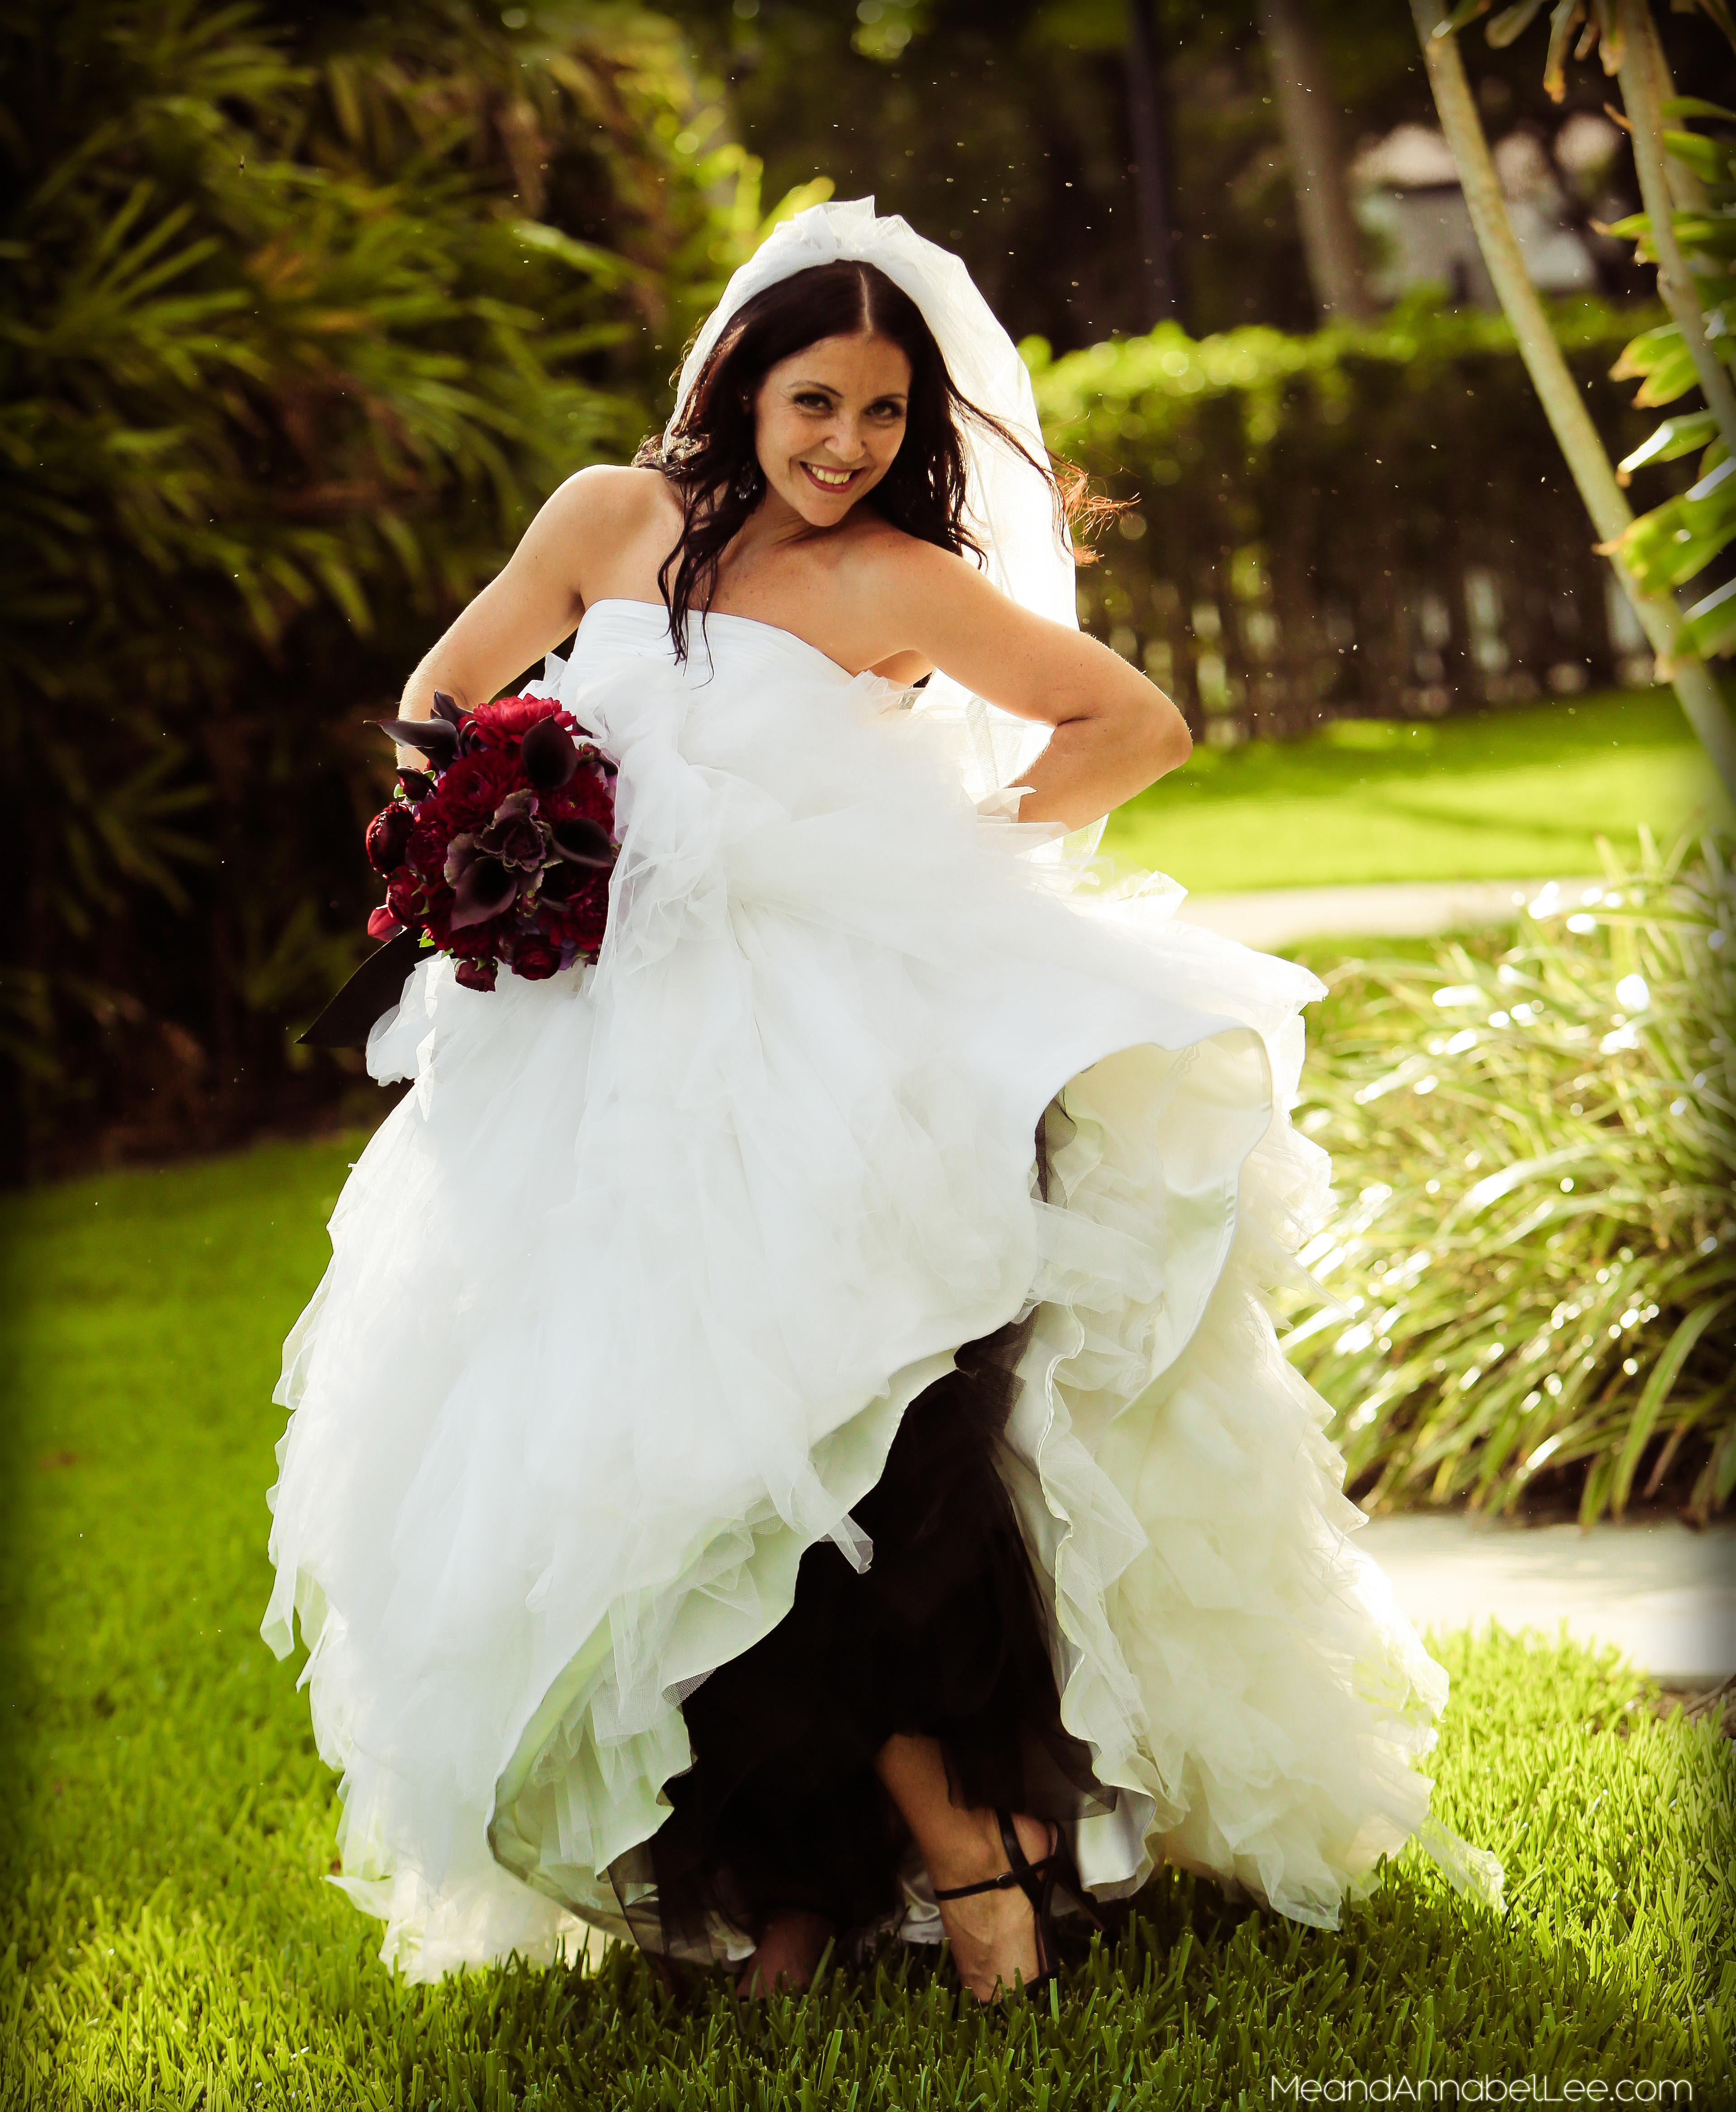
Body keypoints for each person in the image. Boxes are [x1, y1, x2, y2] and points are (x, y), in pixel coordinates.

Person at [263, 199, 1501, 2004]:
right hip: (604, 1057)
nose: (844, 447)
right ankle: (798, 1879)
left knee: (850, 1426)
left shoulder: (897, 583)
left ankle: (965, 1851)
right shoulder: (609, 519)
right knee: (673, 1452)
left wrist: (923, 870)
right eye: (815, 402)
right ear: (744, 384)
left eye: (881, 418)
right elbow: (446, 693)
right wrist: (492, 836)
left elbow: (1132, 726)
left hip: (827, 1052)